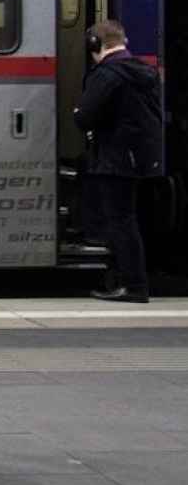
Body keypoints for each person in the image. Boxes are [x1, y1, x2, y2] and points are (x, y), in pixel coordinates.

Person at [79, 19, 164, 303]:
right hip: (138, 157)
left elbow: (85, 116)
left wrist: (79, 113)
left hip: (115, 157)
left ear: (96, 45)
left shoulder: (108, 74)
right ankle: (131, 282)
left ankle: (134, 286)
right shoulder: (142, 71)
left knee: (120, 221)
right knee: (126, 219)